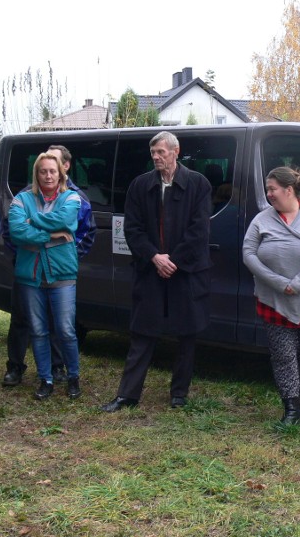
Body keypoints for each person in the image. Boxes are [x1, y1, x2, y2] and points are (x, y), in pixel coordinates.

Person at [101, 131, 212, 412]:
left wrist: (173, 260)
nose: (156, 157)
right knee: (142, 332)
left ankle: (179, 394)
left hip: (186, 271)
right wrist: (154, 257)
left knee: (187, 334)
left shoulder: (198, 184)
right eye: (153, 153)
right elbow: (132, 229)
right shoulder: (140, 185)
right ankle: (127, 394)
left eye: (161, 152)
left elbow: (199, 231)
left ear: (176, 151)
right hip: (150, 270)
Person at [242, 166, 300, 424]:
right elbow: (248, 254)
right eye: (268, 190)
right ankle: (291, 407)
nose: (269, 194)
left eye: (272, 189)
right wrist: (279, 283)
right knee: (283, 354)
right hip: (276, 298)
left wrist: (299, 282)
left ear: (289, 190)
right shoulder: (262, 220)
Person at [2, 144, 95, 388]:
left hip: (62, 272)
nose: (48, 175)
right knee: (37, 330)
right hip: (30, 273)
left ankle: (71, 375)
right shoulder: (22, 197)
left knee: (65, 329)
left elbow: (66, 221)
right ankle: (45, 378)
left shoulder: (73, 197)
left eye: (52, 170)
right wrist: (51, 237)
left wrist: (33, 221)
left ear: (62, 171)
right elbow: (16, 231)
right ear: (37, 173)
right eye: (43, 171)